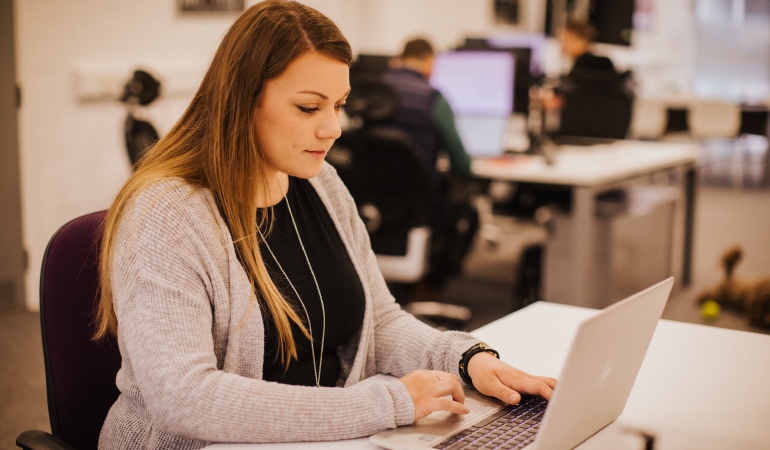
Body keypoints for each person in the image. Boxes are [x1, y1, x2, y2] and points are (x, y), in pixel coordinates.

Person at [94, 2, 556, 448]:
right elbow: (182, 399)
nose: (333, 127)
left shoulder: (321, 184)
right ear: (242, 101)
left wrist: (465, 360)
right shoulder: (168, 213)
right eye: (309, 107)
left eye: (339, 105)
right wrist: (385, 402)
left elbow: (381, 322)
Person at [381, 38, 479, 298]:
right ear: (430, 61)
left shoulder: (374, 90)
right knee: (470, 213)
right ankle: (429, 287)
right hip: (420, 207)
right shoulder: (432, 98)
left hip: (372, 206)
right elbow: (462, 163)